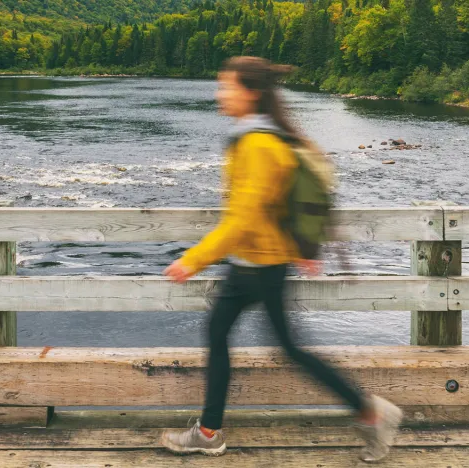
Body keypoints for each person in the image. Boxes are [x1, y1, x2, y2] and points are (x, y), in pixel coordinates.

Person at [160, 56, 403, 463]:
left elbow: (243, 218)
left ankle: (210, 432)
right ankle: (369, 413)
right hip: (259, 263)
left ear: (251, 93)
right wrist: (299, 251)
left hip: (257, 266)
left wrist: (194, 259)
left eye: (227, 87)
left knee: (257, 341)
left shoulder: (257, 144)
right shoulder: (264, 136)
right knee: (268, 343)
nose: (220, 94)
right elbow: (274, 207)